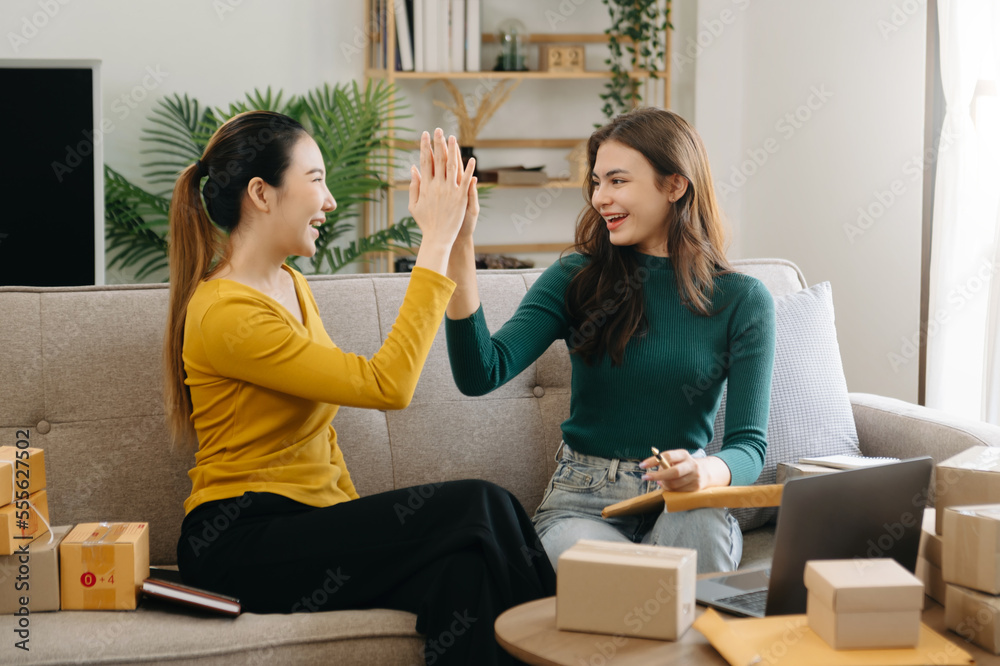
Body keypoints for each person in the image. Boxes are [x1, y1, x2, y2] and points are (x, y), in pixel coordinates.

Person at [163, 111, 555, 666]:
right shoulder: (226, 314)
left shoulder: (289, 283)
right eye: (316, 179)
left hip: (308, 528)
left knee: (465, 574)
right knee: (481, 503)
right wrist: (434, 241)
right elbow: (386, 384)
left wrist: (456, 235)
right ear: (261, 193)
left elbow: (318, 440)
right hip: (241, 542)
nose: (329, 202)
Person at [444, 107, 776, 574]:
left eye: (617, 181)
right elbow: (481, 371)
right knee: (624, 581)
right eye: (596, 182)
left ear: (675, 185)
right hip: (583, 502)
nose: (600, 198)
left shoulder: (742, 300)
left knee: (696, 541)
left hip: (683, 497)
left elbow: (748, 445)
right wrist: (459, 245)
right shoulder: (575, 278)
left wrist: (705, 472)